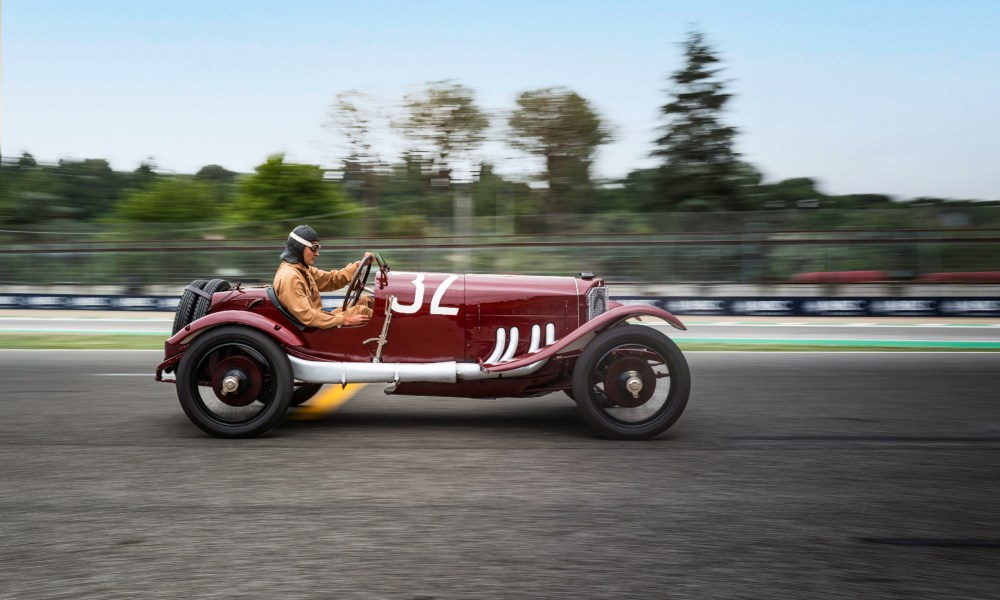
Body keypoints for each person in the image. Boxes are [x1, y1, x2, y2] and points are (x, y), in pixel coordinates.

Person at [272, 225, 373, 328]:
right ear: (299, 247)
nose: (317, 254)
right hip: (315, 330)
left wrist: (359, 265)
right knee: (364, 312)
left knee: (367, 301)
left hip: (318, 320)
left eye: (318, 248)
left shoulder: (303, 270)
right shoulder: (290, 277)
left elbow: (331, 280)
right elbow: (307, 316)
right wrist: (345, 320)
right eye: (314, 248)